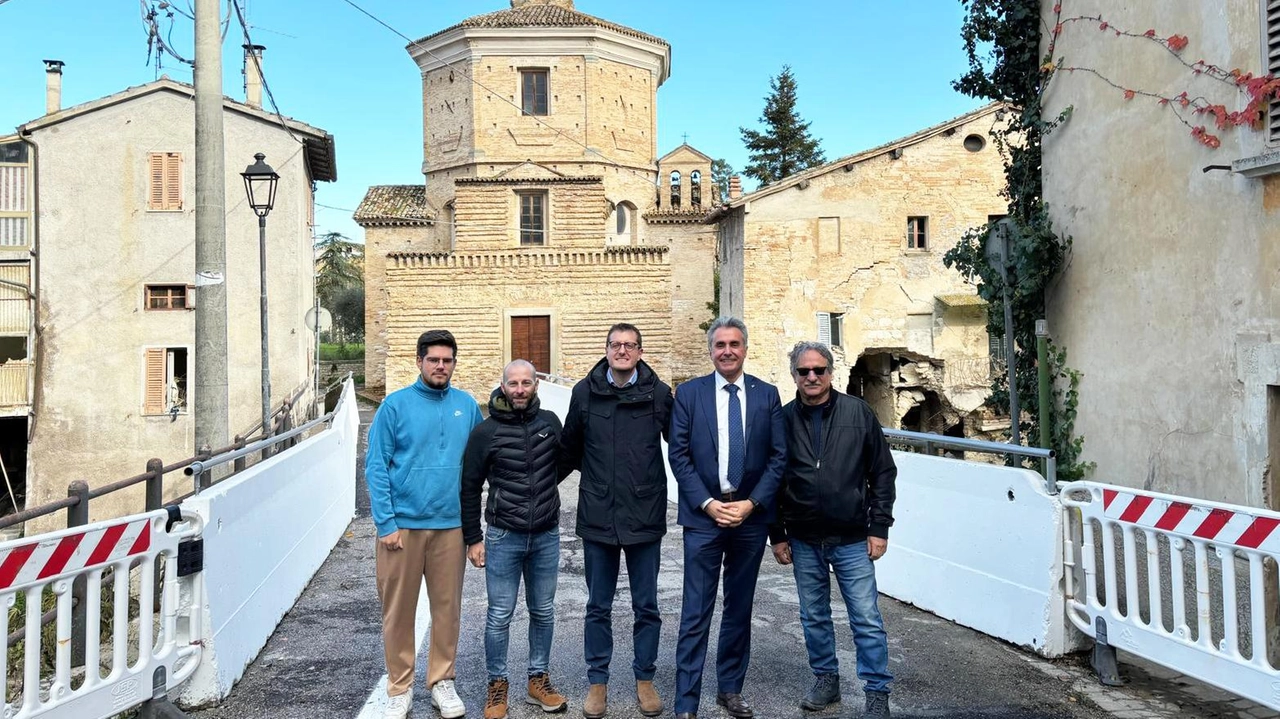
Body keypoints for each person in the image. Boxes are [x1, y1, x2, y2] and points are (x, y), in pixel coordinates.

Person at [667, 317, 787, 719]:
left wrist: (752, 504)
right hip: (704, 517)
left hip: (749, 517)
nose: (727, 351)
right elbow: (679, 455)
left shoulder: (767, 395)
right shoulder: (689, 394)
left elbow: (778, 458)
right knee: (696, 609)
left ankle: (730, 689)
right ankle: (686, 701)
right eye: (720, 344)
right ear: (710, 350)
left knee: (739, 606)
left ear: (745, 348)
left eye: (734, 344)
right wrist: (706, 503)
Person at [770, 341, 897, 719]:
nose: (812, 377)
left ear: (830, 373)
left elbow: (883, 474)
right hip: (804, 538)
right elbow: (771, 479)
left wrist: (879, 527)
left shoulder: (859, 413)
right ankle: (827, 679)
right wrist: (777, 534)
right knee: (813, 617)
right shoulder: (782, 419)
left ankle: (877, 691)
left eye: (819, 370)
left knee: (866, 619)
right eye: (804, 371)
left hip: (853, 537)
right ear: (794, 375)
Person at [365, 330, 483, 719]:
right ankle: (399, 686)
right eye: (433, 360)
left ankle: (441, 681)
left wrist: (474, 531)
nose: (440, 366)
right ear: (419, 362)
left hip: (450, 526)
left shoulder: (466, 406)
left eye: (447, 360)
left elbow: (480, 467)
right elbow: (377, 467)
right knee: (398, 610)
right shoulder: (394, 406)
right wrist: (386, 523)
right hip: (402, 527)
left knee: (447, 609)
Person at [560, 323, 673, 719]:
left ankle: (645, 680)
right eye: (616, 344)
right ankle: (598, 683)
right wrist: (534, 490)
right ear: (606, 349)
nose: (622, 350)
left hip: (644, 515)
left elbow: (683, 446)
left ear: (640, 351)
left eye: (630, 345)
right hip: (598, 515)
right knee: (598, 605)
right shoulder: (584, 392)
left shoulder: (659, 394)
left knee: (647, 605)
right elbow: (569, 449)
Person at [461, 360, 570, 719]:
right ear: (503, 385)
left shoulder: (550, 423)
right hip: (503, 535)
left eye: (526, 382)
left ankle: (538, 679)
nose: (520, 389)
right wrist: (473, 538)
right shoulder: (485, 432)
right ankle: (497, 684)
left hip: (545, 534)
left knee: (543, 611)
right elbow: (470, 486)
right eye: (513, 383)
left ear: (536, 384)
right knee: (499, 615)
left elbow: (565, 462)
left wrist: (540, 491)